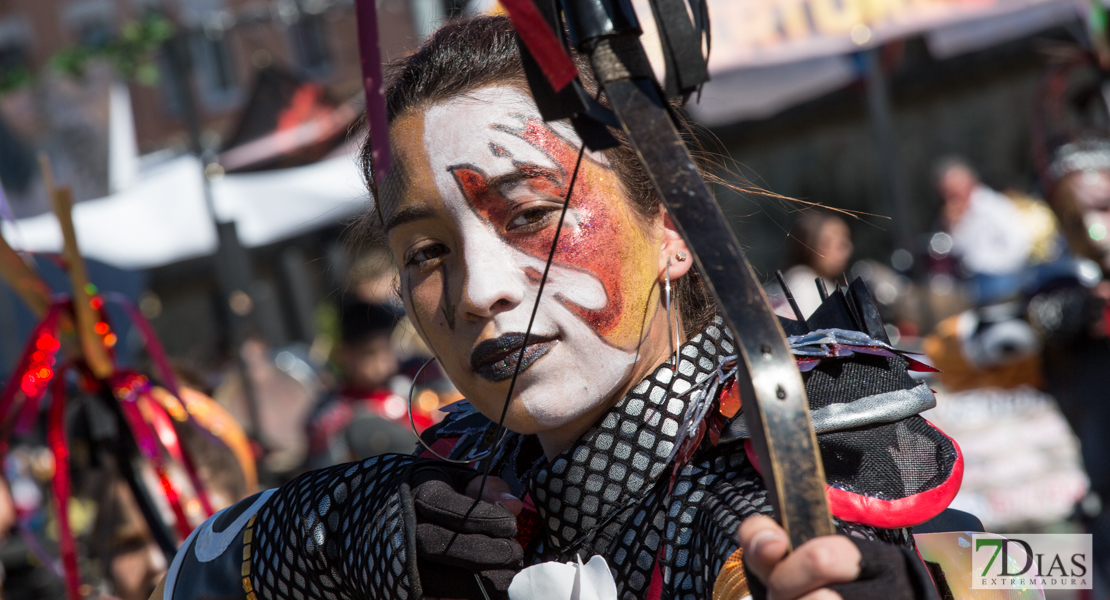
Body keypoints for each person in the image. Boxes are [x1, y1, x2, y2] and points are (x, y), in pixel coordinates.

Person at [156, 17, 962, 600]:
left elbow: (1049, 564)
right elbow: (187, 577)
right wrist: (351, 534)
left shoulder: (777, 466)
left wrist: (913, 581)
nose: (478, 288)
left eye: (531, 215)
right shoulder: (461, 480)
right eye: (426, 253)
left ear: (673, 230)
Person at [303, 300, 427, 469]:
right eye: (371, 354)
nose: (383, 363)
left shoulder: (404, 392)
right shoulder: (333, 416)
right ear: (346, 355)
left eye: (386, 350)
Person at [928, 158, 1032, 304]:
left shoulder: (995, 207)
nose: (950, 198)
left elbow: (1019, 245)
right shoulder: (948, 219)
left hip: (1001, 280)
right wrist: (950, 228)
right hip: (967, 287)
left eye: (953, 191)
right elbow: (947, 258)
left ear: (969, 183)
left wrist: (990, 267)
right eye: (945, 193)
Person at [777, 211, 853, 317]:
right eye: (827, 242)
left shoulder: (826, 283)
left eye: (844, 243)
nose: (846, 250)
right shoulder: (802, 283)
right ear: (808, 245)